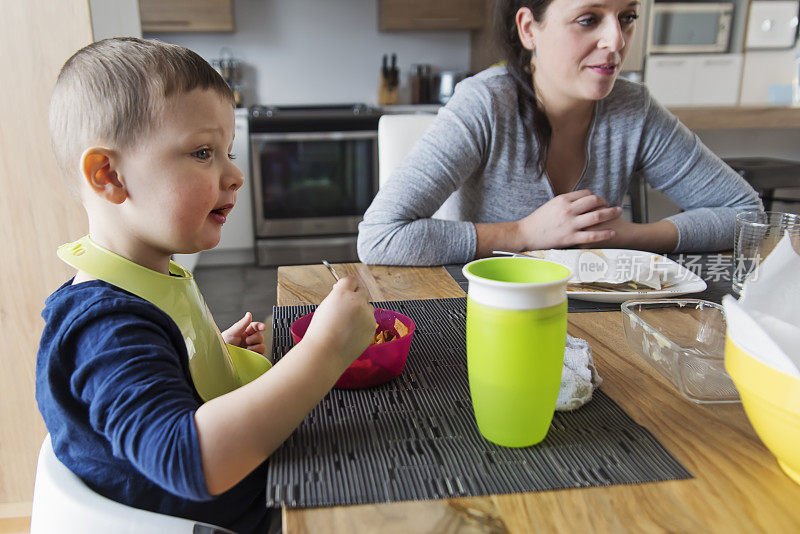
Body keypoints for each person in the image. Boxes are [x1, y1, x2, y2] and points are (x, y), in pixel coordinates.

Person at [36, 38, 376, 533]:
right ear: (109, 175)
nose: (235, 175)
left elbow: (157, 381)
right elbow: (188, 460)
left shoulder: (147, 278)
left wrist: (209, 357)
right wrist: (324, 350)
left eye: (227, 153)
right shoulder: (103, 328)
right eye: (202, 152)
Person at [357, 0, 762, 266]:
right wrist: (523, 233)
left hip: (603, 319)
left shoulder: (633, 110)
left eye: (627, 17)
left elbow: (747, 214)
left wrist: (634, 237)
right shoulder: (485, 104)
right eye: (589, 19)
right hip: (482, 314)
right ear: (529, 29)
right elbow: (380, 237)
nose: (616, 41)